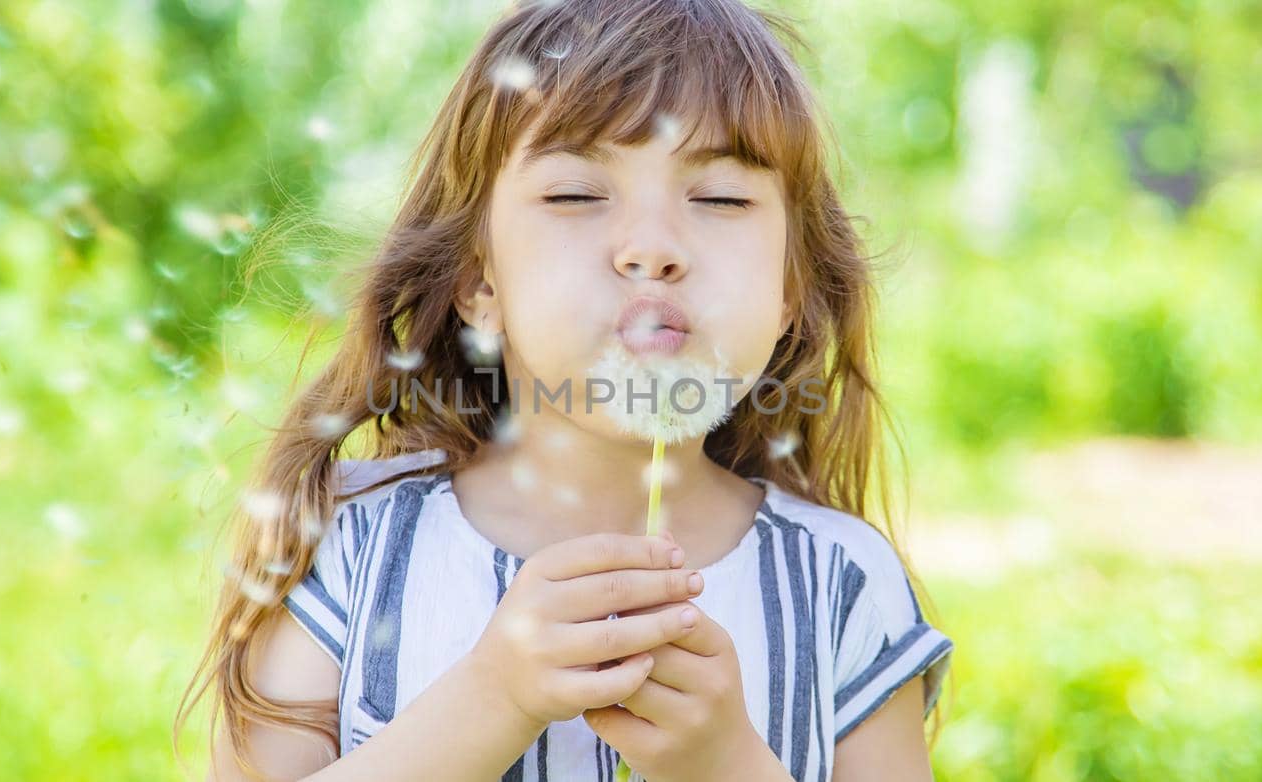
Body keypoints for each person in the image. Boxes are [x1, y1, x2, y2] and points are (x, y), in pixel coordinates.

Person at [179, 0, 954, 779]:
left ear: (790, 287)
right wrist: (494, 699)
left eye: (721, 198)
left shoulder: (843, 582)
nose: (653, 250)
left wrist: (726, 764)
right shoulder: (346, 544)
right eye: (576, 195)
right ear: (480, 280)